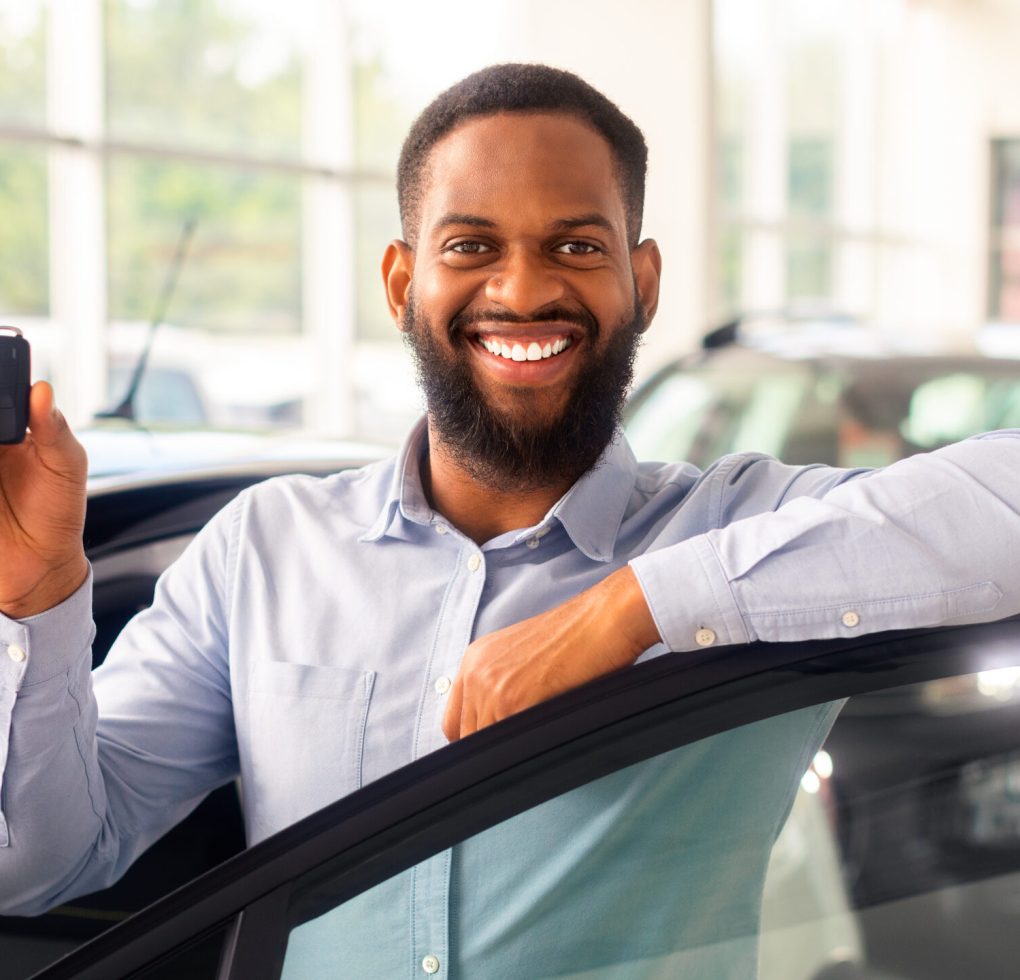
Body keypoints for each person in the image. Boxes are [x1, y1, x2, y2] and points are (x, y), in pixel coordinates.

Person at [0, 63, 1017, 975]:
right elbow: (44, 864)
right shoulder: (261, 550)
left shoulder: (739, 527)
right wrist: (41, 598)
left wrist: (637, 606)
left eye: (575, 244)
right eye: (471, 244)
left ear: (642, 279)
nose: (523, 288)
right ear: (403, 280)